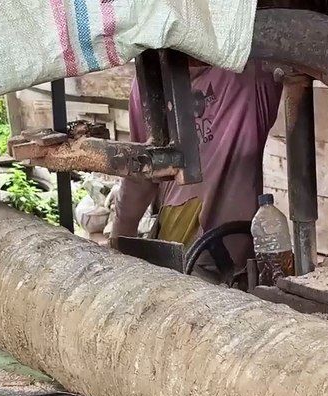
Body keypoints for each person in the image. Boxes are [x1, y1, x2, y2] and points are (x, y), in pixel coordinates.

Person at [111, 60, 282, 281]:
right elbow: (139, 177)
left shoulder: (249, 74)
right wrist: (117, 251)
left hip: (230, 258)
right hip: (174, 246)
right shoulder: (150, 82)